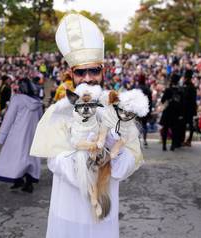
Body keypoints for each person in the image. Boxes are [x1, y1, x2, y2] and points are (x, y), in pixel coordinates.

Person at [30, 14, 143, 238]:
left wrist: (112, 155)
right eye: (81, 72)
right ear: (71, 74)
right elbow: (56, 160)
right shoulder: (59, 112)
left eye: (94, 70)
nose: (88, 78)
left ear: (103, 71)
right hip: (68, 209)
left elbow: (130, 158)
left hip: (104, 209)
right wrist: (88, 161)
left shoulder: (119, 109)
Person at [0, 78, 43, 193]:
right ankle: (27, 182)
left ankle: (18, 179)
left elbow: (9, 119)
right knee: (31, 158)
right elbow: (41, 120)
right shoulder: (38, 103)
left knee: (15, 157)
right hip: (32, 135)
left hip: (17, 134)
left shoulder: (17, 100)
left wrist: (2, 136)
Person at [159, 73, 184, 151]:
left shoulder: (168, 90)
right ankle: (173, 146)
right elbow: (182, 103)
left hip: (167, 111)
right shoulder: (181, 90)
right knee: (174, 130)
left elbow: (162, 100)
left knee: (165, 129)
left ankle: (164, 145)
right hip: (176, 112)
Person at [182, 63, 197, 146]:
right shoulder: (192, 86)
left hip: (186, 108)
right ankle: (188, 140)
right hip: (191, 108)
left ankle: (186, 140)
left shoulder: (187, 86)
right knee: (189, 124)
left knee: (185, 124)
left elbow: (185, 98)